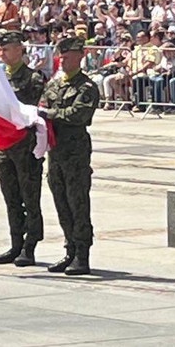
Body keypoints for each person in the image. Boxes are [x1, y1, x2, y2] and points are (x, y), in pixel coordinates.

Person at [39, 35, 99, 276]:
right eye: (60, 55)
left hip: (75, 154)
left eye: (67, 55)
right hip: (56, 153)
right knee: (61, 201)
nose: (62, 59)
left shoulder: (86, 87)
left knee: (78, 203)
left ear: (80, 56)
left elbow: (78, 115)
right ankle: (70, 249)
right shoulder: (54, 85)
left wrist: (50, 114)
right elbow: (42, 106)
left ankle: (82, 255)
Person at [0, 30, 48, 266]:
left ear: (19, 49)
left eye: (6, 49)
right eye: (0, 49)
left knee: (30, 199)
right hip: (4, 147)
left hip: (26, 149)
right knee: (11, 198)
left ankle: (30, 246)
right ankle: (15, 243)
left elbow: (34, 113)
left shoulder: (33, 79)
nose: (1, 53)